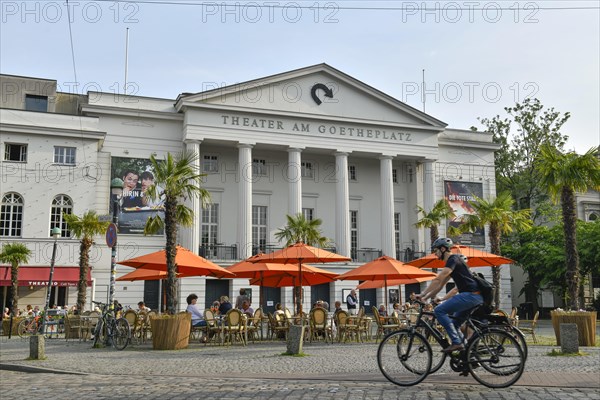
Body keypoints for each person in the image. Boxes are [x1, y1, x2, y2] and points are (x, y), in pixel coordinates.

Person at [417, 237, 483, 353]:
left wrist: (422, 293)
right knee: (455, 324)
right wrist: (425, 298)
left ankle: (457, 342)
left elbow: (438, 279)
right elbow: (440, 285)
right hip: (474, 297)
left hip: (470, 295)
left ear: (443, 249)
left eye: (436, 251)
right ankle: (468, 355)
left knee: (439, 311)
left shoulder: (453, 259)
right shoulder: (453, 262)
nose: (435, 254)